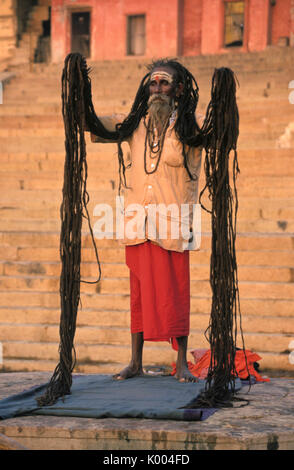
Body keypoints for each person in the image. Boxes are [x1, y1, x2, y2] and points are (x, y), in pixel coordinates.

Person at [87, 59, 204, 383]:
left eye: (164, 83)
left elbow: (219, 132)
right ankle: (135, 362)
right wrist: (78, 93)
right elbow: (94, 125)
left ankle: (181, 363)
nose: (157, 90)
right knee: (138, 296)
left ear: (178, 89)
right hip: (138, 222)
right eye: (153, 84)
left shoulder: (191, 125)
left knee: (176, 294)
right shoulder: (132, 124)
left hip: (173, 225)